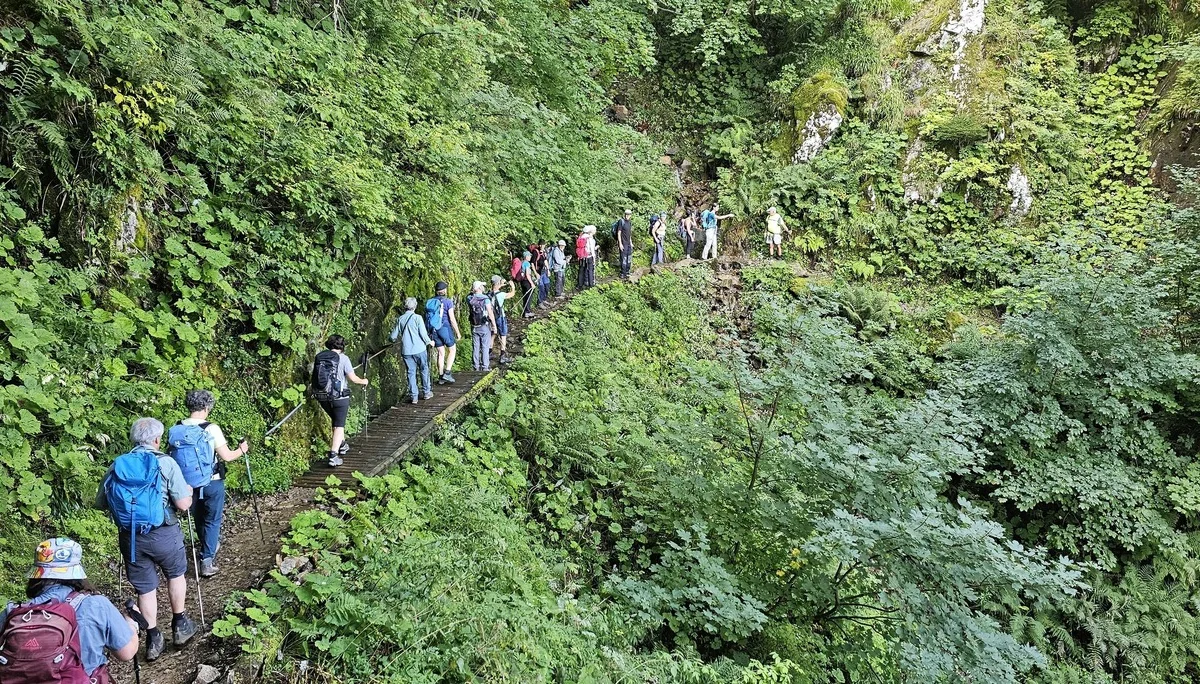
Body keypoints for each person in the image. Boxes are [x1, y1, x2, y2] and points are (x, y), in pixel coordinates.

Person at [95, 417, 197, 661]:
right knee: (175, 574)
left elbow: (101, 502)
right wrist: (189, 494)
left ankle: (153, 638)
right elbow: (183, 504)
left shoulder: (118, 465)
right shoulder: (165, 463)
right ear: (157, 439)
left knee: (145, 588)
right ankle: (180, 625)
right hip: (164, 533)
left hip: (131, 538)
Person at [0, 538, 138, 680]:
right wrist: (132, 625)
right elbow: (126, 653)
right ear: (77, 572)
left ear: (36, 575)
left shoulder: (12, 613)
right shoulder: (96, 605)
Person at [168, 390, 249, 578]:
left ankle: (207, 547)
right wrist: (242, 450)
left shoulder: (177, 428)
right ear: (206, 407)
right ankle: (207, 560)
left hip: (186, 485)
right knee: (212, 520)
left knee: (198, 518)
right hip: (211, 483)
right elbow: (227, 456)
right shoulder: (211, 428)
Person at [311, 335, 369, 467]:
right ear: (342, 346)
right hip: (339, 397)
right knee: (339, 425)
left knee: (336, 421)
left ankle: (342, 445)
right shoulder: (344, 359)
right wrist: (364, 381)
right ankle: (333, 455)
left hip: (322, 396)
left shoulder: (320, 357)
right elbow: (353, 378)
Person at [389, 297, 434, 404]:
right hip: (420, 349)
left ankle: (414, 397)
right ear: (415, 306)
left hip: (407, 351)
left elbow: (393, 336)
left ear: (405, 307)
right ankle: (427, 392)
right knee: (424, 369)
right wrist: (429, 342)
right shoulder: (417, 318)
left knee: (411, 372)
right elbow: (423, 334)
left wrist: (391, 340)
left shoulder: (400, 319)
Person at [426, 282, 461, 384]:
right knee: (452, 349)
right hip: (444, 328)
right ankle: (448, 373)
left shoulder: (430, 301)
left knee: (441, 353)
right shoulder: (447, 302)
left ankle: (441, 376)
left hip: (433, 330)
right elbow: (452, 318)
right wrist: (457, 332)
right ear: (445, 290)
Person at [467, 281, 498, 371]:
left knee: (476, 346)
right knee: (485, 346)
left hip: (474, 325)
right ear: (480, 288)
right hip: (484, 325)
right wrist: (494, 325)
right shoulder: (485, 299)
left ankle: (476, 366)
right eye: (482, 286)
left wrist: (473, 290)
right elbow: (490, 313)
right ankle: (485, 367)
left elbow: (469, 295)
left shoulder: (469, 298)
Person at [489, 275, 516, 365]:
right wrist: (512, 286)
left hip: (491, 317)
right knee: (503, 335)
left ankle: (489, 353)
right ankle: (503, 356)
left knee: (493, 334)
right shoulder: (501, 295)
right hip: (500, 317)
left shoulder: (488, 294)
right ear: (497, 283)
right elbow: (512, 294)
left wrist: (502, 284)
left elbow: (496, 287)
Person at [517, 251, 538, 318]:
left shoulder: (522, 262)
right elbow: (527, 274)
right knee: (529, 297)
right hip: (527, 282)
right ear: (526, 256)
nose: (530, 257)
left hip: (522, 281)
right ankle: (527, 312)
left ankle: (525, 312)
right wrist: (532, 283)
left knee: (525, 297)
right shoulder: (527, 263)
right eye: (529, 256)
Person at [616, 209, 634, 278]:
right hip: (623, 243)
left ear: (630, 215)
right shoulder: (621, 221)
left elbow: (629, 234)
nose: (627, 216)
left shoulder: (629, 222)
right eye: (626, 214)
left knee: (629, 258)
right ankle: (623, 273)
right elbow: (619, 233)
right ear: (624, 214)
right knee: (623, 258)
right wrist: (620, 244)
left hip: (628, 244)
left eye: (629, 214)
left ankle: (627, 271)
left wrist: (631, 242)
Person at [531, 243, 550, 308]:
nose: (543, 246)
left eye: (544, 245)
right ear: (539, 245)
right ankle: (540, 303)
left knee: (547, 285)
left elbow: (545, 260)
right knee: (541, 287)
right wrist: (535, 273)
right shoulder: (535, 252)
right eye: (542, 245)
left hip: (544, 271)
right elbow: (532, 263)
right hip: (538, 273)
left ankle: (544, 299)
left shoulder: (543, 252)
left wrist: (548, 270)